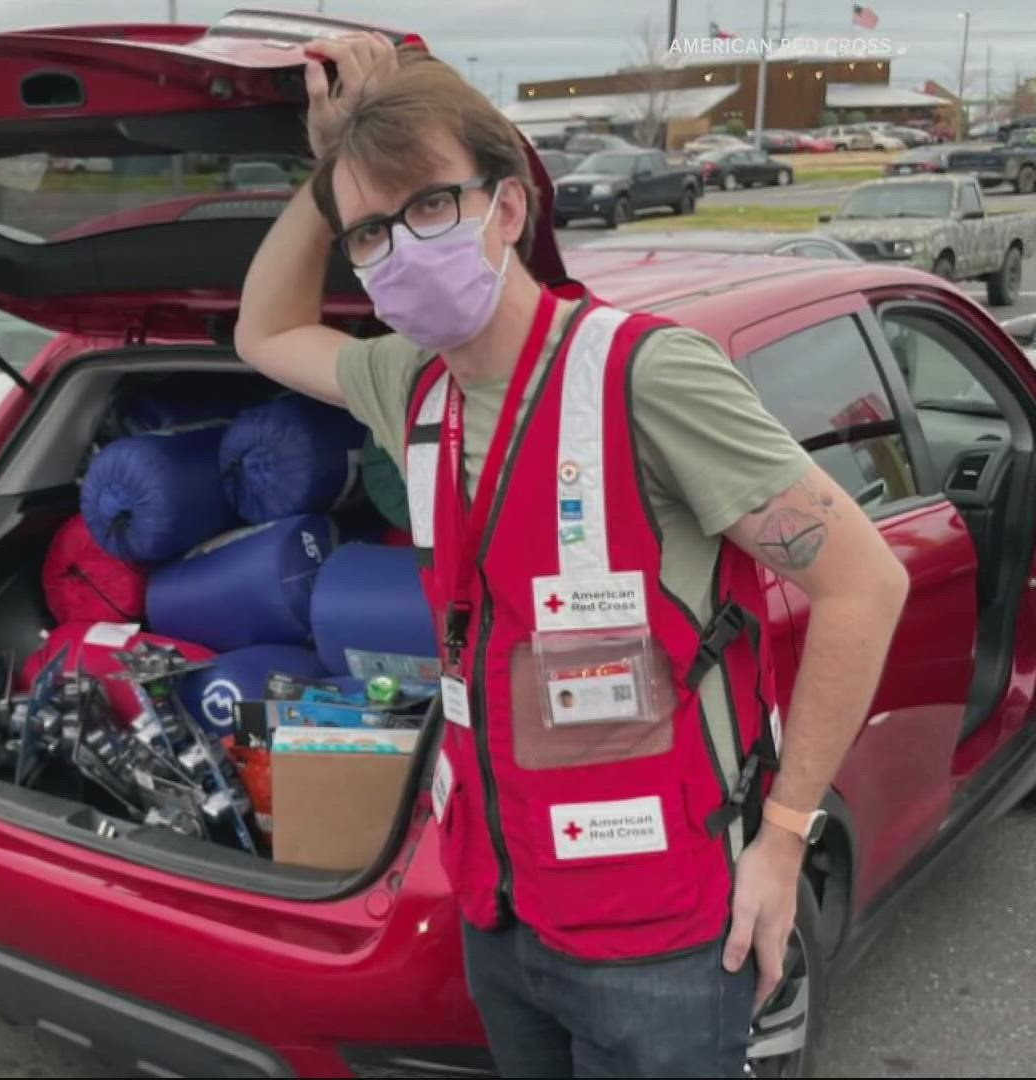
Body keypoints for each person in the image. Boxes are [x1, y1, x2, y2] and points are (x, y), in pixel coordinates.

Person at [234, 36, 909, 1079]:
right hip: (503, 909)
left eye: (426, 208)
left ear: (507, 210)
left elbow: (865, 579)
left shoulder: (644, 376)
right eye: (370, 233)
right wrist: (332, 177)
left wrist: (782, 843)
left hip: (666, 936)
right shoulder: (411, 386)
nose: (396, 248)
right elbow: (263, 331)